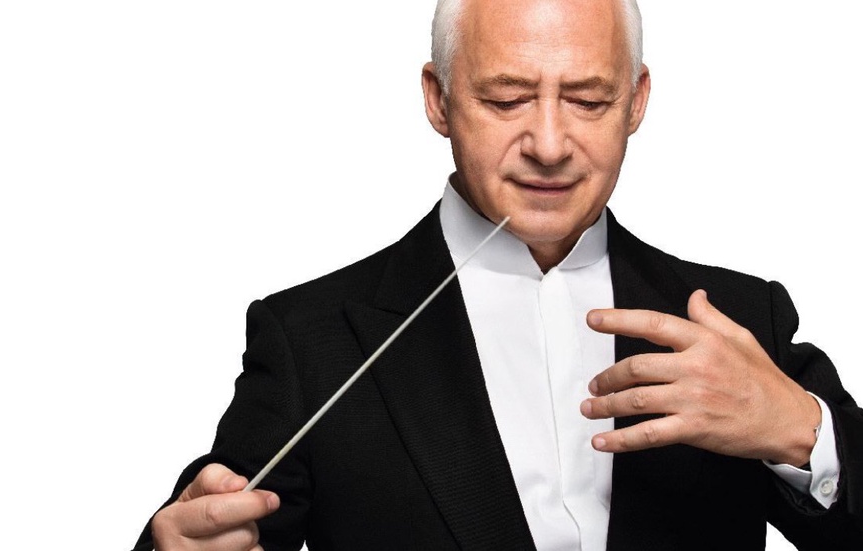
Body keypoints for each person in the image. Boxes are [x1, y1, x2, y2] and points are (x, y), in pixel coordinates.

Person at [133, 0, 863, 549]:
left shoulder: (741, 318)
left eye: (587, 100)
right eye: (506, 99)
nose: (548, 143)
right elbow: (211, 520)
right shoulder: (311, 340)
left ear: (637, 101)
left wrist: (797, 429)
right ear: (438, 99)